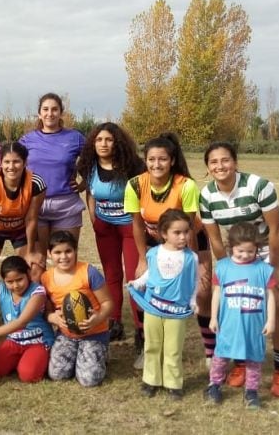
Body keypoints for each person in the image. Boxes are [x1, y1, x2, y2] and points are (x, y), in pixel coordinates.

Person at [199, 141, 279, 397]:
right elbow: (217, 241)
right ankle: (242, 363)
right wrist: (227, 272)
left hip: (272, 245)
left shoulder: (259, 186)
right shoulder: (207, 196)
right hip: (239, 248)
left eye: (225, 160)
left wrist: (272, 269)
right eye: (214, 162)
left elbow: (275, 230)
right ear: (208, 168)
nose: (220, 166)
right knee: (237, 302)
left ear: (235, 162)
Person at [123, 132, 211, 370]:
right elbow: (137, 224)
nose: (156, 164)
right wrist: (143, 258)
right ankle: (147, 347)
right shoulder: (134, 184)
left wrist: (193, 265)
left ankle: (212, 352)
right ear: (145, 160)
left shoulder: (186, 185)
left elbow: (190, 227)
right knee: (150, 288)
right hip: (156, 241)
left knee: (203, 292)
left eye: (162, 159)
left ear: (172, 161)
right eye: (151, 159)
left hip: (189, 239)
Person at [77, 122, 146, 342]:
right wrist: (93, 218)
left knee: (136, 277)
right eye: (99, 140)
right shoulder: (89, 165)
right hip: (105, 227)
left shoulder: (132, 165)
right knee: (112, 275)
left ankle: (141, 328)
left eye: (108, 139)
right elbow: (90, 193)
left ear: (117, 142)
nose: (104, 144)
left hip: (130, 227)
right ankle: (115, 321)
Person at [128, 210, 199, 401]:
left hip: (176, 311)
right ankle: (150, 380)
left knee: (173, 348)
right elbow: (150, 274)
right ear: (164, 233)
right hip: (153, 308)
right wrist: (138, 283)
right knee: (152, 345)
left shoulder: (191, 258)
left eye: (186, 232)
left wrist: (193, 301)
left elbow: (195, 282)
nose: (183, 236)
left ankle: (173, 384)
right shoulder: (153, 253)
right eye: (177, 232)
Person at [205, 222, 276, 410]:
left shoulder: (264, 269)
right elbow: (217, 293)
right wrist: (213, 317)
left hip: (255, 325)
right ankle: (214, 385)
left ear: (257, 249)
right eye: (240, 251)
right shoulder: (223, 267)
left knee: (254, 359)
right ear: (231, 247)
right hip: (229, 323)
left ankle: (252, 391)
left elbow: (270, 296)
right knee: (221, 356)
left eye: (250, 252)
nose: (245, 255)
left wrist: (271, 320)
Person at [0, 142, 46, 308]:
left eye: (16, 161)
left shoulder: (36, 183)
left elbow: (31, 219)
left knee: (35, 270)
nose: (11, 166)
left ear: (25, 162)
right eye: (7, 162)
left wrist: (32, 251)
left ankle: (29, 316)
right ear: (0, 163)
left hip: (20, 229)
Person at [41, 231, 112, 387]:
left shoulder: (89, 272)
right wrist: (53, 317)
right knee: (57, 375)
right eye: (57, 252)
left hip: (94, 333)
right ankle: (81, 354)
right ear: (49, 254)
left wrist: (97, 318)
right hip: (66, 335)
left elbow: (108, 303)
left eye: (68, 251)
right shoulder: (46, 278)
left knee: (89, 380)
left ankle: (102, 351)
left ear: (75, 251)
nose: (63, 257)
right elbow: (47, 310)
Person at [19, 93, 85, 257]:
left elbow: (95, 160)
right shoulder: (27, 140)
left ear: (61, 112)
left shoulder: (75, 138)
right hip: (35, 206)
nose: (50, 113)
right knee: (38, 261)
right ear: (39, 113)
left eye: (55, 109)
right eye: (46, 109)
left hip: (66, 206)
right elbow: (12, 165)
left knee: (65, 260)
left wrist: (84, 183)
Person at [0, 256, 55, 383]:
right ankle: (22, 360)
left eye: (19, 279)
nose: (15, 285)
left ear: (28, 274)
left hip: (38, 342)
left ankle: (41, 358)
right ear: (4, 280)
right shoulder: (0, 288)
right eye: (10, 282)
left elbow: (21, 322)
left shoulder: (38, 292)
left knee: (28, 376)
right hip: (14, 341)